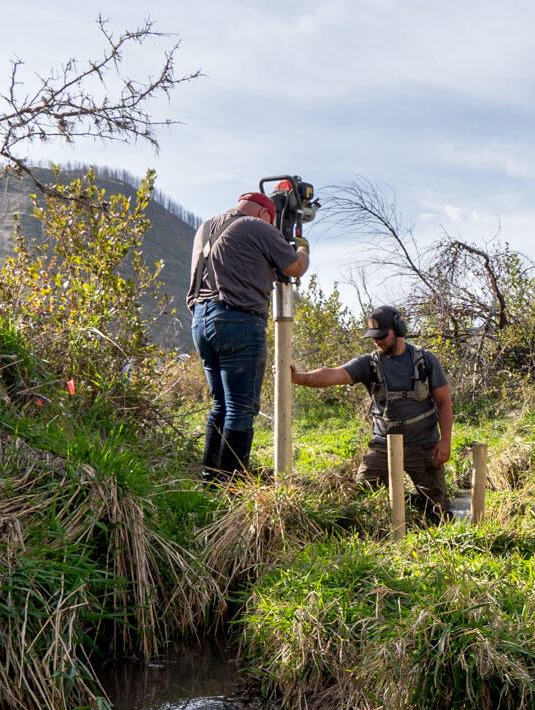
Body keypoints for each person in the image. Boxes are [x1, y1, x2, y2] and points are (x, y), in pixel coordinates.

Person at [288, 306, 454, 521]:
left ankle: (416, 504)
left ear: (399, 330)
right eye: (374, 337)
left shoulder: (425, 360)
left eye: (382, 336)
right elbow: (332, 375)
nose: (378, 341)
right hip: (383, 445)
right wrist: (298, 377)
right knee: (362, 499)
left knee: (438, 512)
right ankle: (399, 509)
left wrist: (446, 440)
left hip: (422, 445)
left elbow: (444, 402)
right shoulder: (368, 363)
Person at [189, 190, 309, 480]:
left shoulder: (205, 228)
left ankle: (211, 478)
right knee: (240, 408)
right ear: (267, 215)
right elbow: (294, 267)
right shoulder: (255, 226)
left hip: (201, 321)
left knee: (220, 405)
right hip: (238, 320)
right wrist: (302, 247)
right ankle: (233, 484)